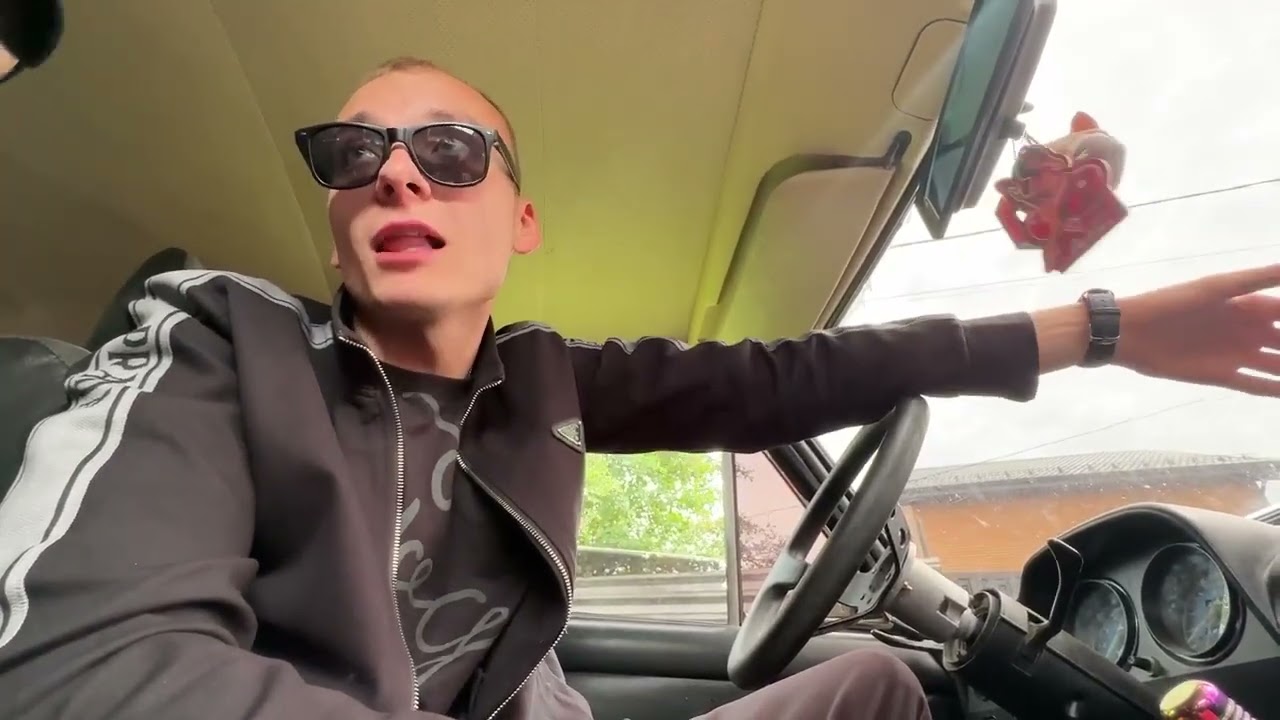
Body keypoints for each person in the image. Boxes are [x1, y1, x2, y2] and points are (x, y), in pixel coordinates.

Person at [1, 56, 1278, 720]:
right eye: (355, 154)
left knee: (879, 684)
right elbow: (78, 669)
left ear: (521, 220)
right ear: (337, 217)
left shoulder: (542, 380)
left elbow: (796, 377)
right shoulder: (217, 345)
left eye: (448, 150)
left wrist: (1096, 329)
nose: (396, 174)